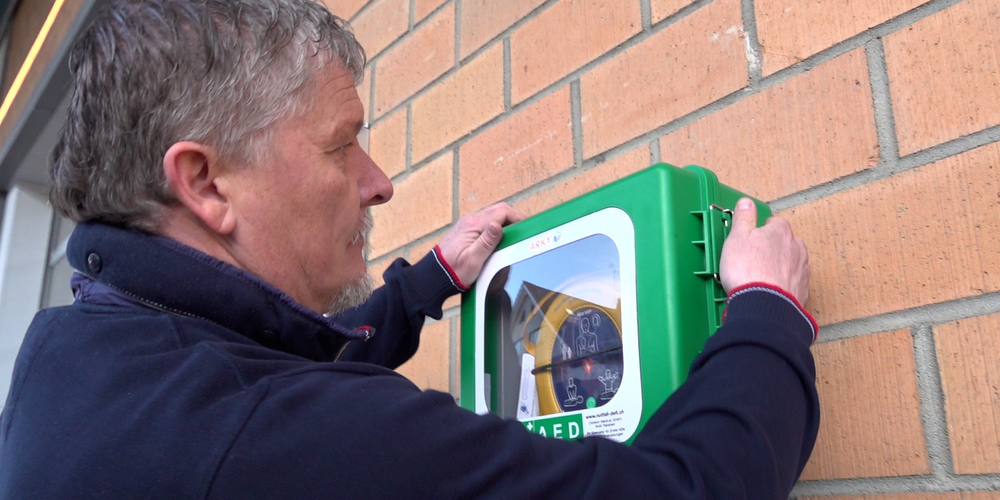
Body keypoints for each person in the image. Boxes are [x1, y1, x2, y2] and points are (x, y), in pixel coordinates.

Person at [0, 0, 819, 498]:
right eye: (340, 145)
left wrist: (429, 282)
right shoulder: (281, 442)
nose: (380, 182)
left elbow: (273, 367)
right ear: (206, 183)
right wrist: (767, 313)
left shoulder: (75, 355)